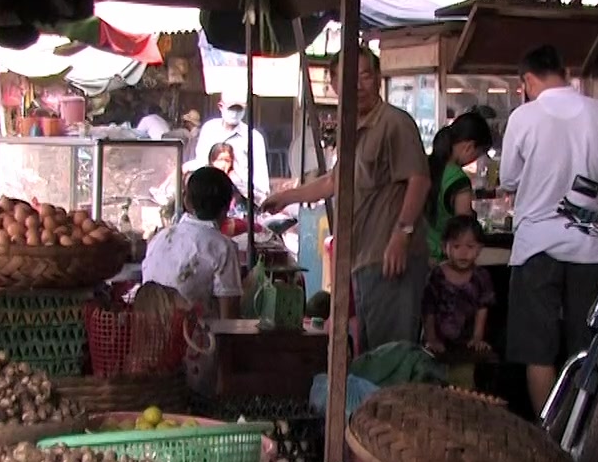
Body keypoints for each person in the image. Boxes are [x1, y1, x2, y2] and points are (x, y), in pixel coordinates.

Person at [261, 50, 430, 350]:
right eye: (349, 78)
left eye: (365, 76)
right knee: (370, 349)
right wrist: (286, 197)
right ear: (334, 84)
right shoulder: (350, 126)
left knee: (391, 354)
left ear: (377, 79)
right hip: (362, 256)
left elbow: (419, 180)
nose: (358, 85)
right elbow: (333, 182)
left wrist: (401, 235)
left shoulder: (394, 122)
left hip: (389, 256)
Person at [499, 44, 598, 413]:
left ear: (527, 80)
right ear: (565, 70)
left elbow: (509, 178)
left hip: (535, 247)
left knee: (538, 350)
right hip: (590, 248)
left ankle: (548, 434)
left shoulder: (524, 118)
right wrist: (589, 188)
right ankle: (580, 431)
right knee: (584, 347)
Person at [142, 167, 243, 318]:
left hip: (149, 333)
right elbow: (229, 317)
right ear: (226, 208)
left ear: (186, 201)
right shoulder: (222, 247)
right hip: (191, 338)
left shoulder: (159, 237)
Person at [423, 215, 496, 388]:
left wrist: (477, 338)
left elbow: (482, 308)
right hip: (437, 347)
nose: (463, 252)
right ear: (444, 247)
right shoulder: (437, 276)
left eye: (470, 246)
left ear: (480, 248)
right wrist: (431, 338)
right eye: (456, 246)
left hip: (465, 348)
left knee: (463, 387)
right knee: (434, 385)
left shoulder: (481, 277)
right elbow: (428, 309)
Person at [425, 111, 493, 259]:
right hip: (444, 264)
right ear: (469, 146)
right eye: (477, 154)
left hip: (417, 259)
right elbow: (464, 232)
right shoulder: (458, 180)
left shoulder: (424, 165)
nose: (473, 160)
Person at [193, 97, 269, 202]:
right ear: (221, 106)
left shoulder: (253, 137)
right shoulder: (209, 129)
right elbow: (200, 162)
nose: (234, 114)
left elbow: (261, 183)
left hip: (241, 199)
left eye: (239, 109)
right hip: (208, 196)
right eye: (231, 109)